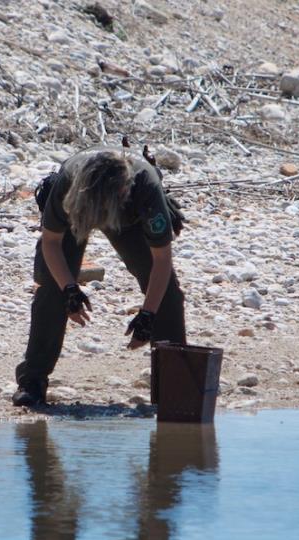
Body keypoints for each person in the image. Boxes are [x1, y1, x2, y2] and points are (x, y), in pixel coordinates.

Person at [13, 146, 186, 407]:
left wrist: (148, 315)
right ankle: (33, 380)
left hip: (129, 219)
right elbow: (51, 243)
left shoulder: (146, 190)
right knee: (51, 288)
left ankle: (174, 384)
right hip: (77, 213)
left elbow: (161, 261)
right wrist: (69, 290)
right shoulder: (67, 185)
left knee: (168, 297)